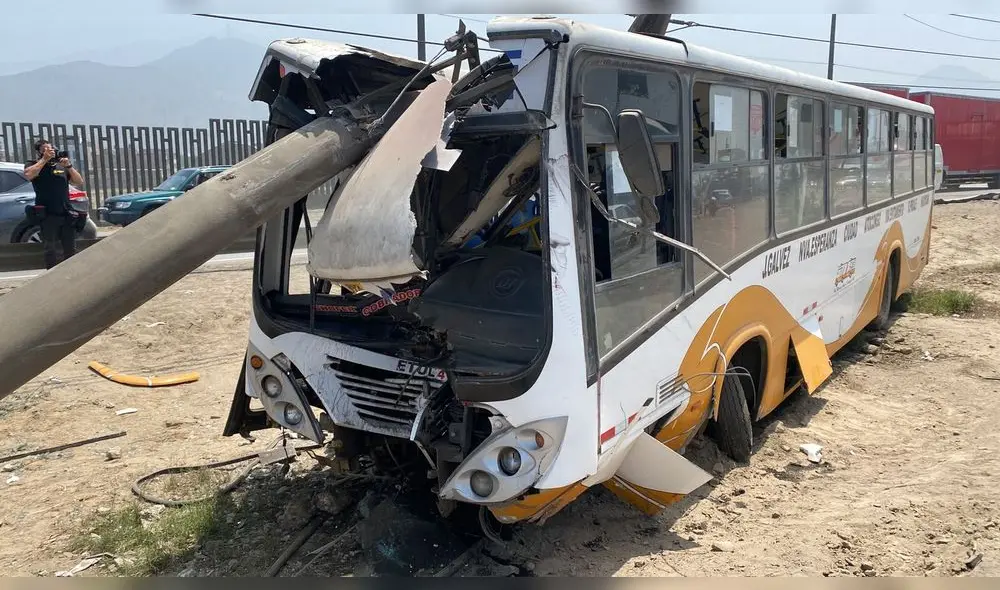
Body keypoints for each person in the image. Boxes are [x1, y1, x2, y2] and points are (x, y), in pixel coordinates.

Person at [23, 139, 86, 269]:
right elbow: (28, 175)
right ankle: (51, 274)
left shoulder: (60, 166)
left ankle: (71, 273)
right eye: (46, 149)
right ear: (40, 152)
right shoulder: (34, 164)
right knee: (50, 248)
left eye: (51, 149)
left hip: (66, 213)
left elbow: (78, 181)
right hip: (48, 214)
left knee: (70, 248)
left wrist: (68, 166)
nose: (50, 151)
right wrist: (44, 160)